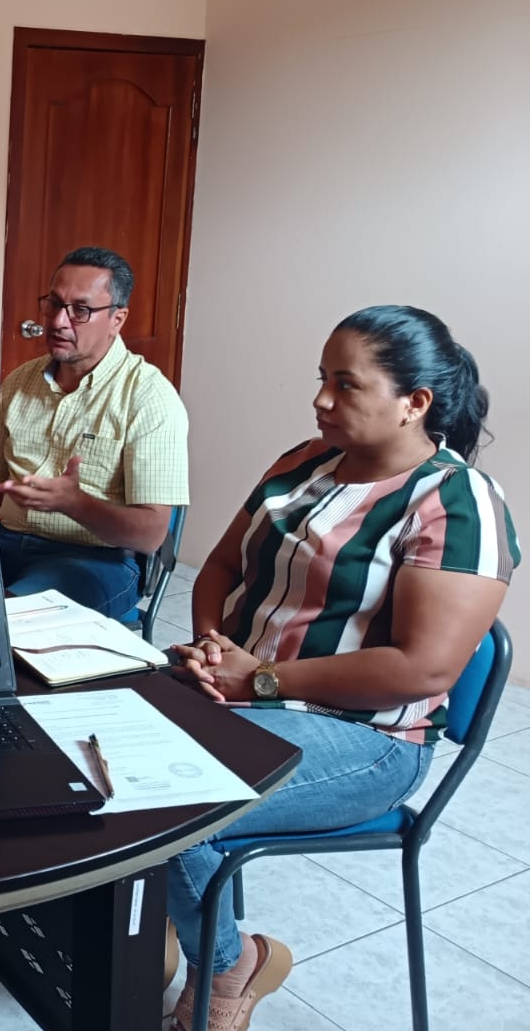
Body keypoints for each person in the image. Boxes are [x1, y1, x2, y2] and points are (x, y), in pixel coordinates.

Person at [165, 306, 517, 1031]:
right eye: (322, 379)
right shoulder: (303, 462)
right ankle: (157, 927)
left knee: (170, 807)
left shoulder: (458, 506)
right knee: (90, 745)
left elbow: (423, 670)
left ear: (414, 402)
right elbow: (222, 564)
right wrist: (211, 644)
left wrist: (260, 680)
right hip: (242, 693)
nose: (321, 400)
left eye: (346, 385)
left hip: (366, 736)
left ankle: (228, 962)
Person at [0, 246, 189, 615]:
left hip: (97, 560)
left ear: (117, 319)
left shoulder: (149, 397)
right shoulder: (21, 381)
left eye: (81, 310)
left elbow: (150, 534)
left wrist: (75, 504)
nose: (59, 321)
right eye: (54, 304)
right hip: (6, 541)